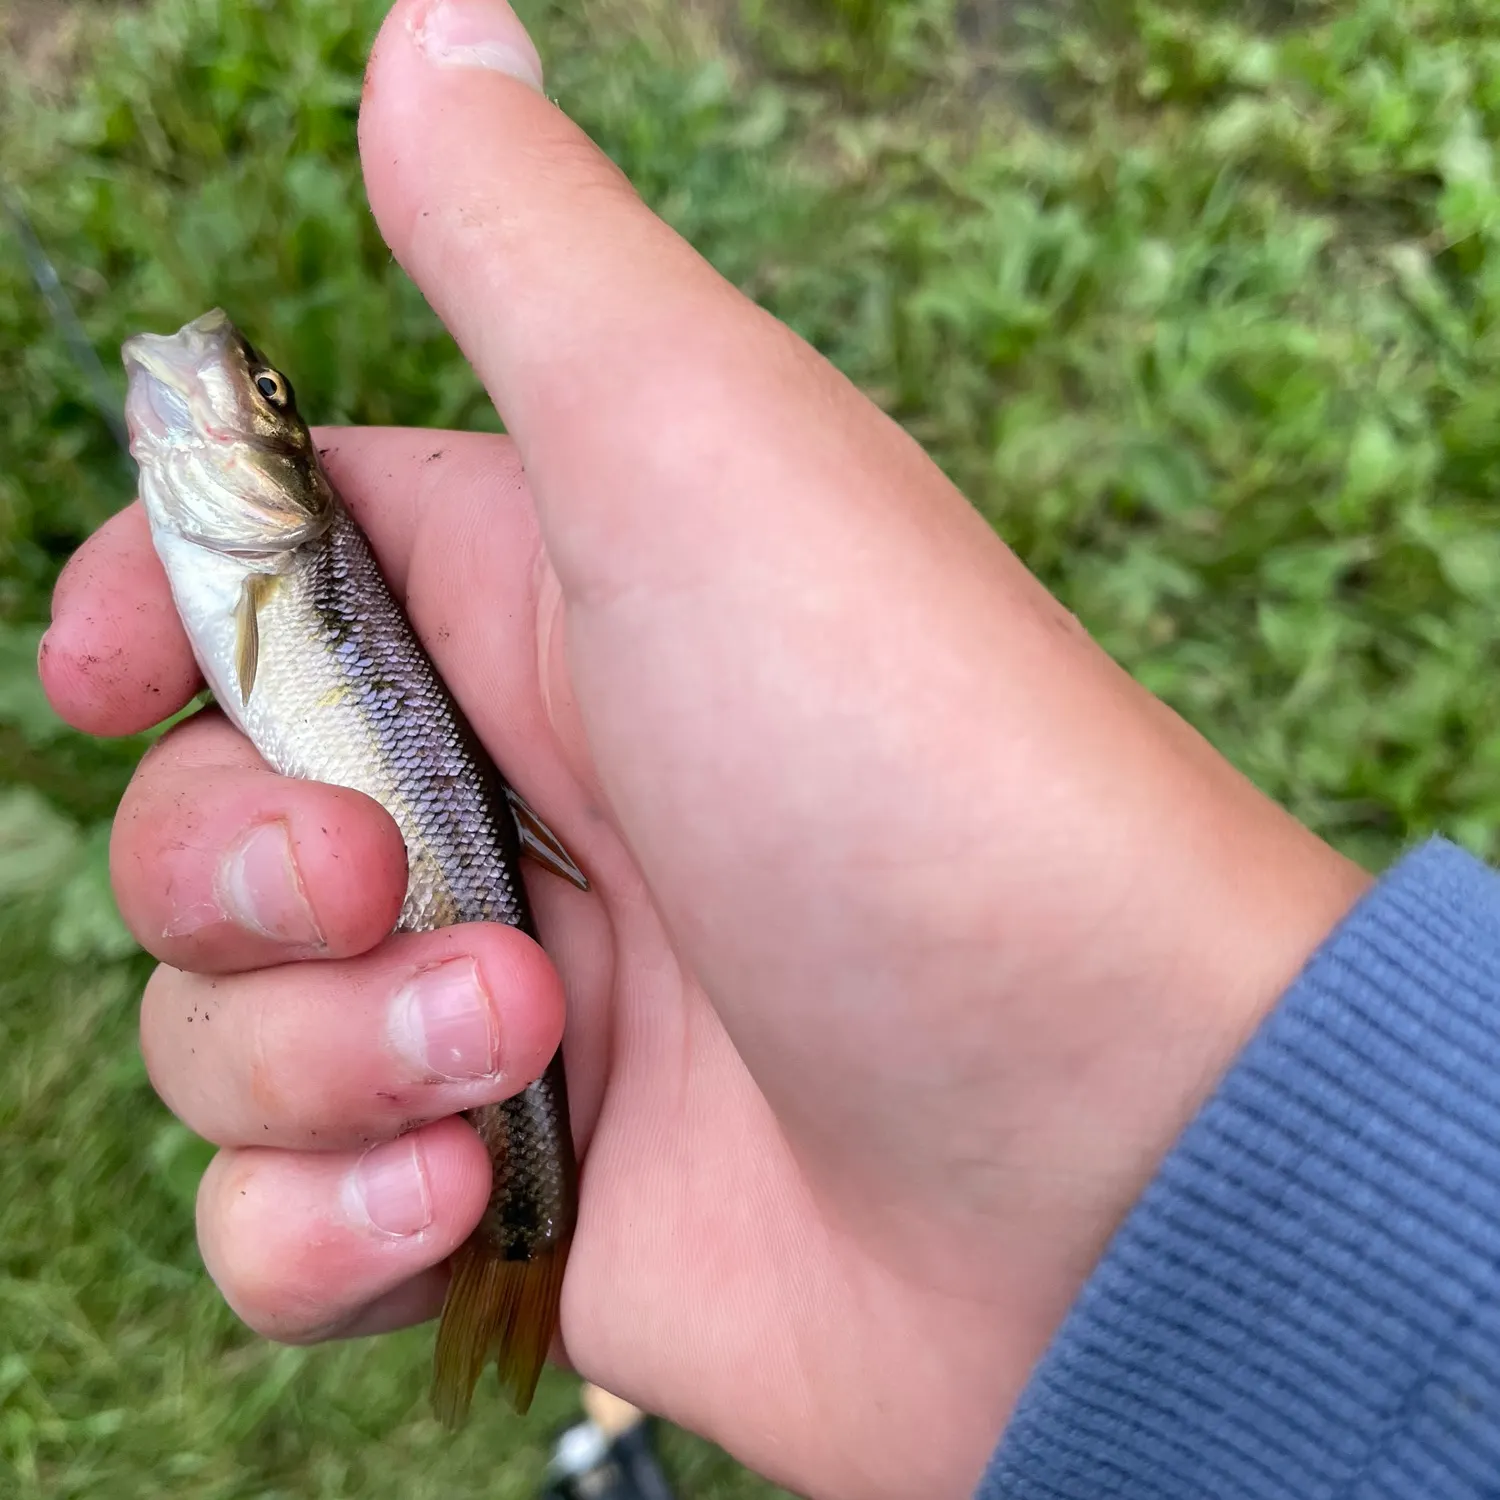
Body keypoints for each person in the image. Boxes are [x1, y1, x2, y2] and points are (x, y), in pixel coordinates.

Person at [37, 2, 1500, 1496]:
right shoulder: (287, 559)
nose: (234, 386)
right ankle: (528, 1212)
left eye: (263, 400)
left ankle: (525, 1220)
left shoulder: (292, 560)